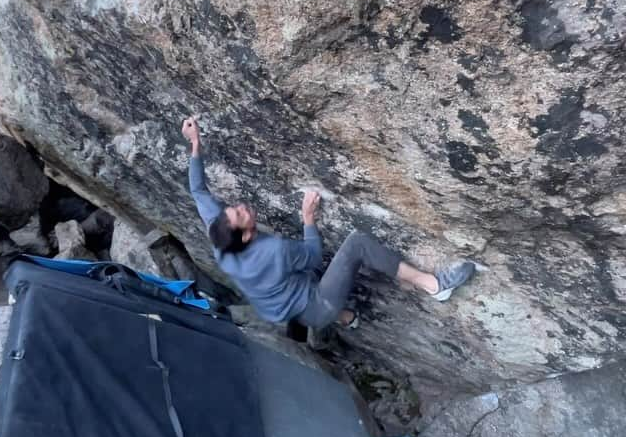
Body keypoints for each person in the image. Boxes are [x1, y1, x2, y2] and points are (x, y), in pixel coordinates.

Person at [182, 117, 475, 331]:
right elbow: (312, 254)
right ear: (245, 236)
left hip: (285, 309)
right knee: (357, 244)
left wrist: (195, 143)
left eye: (233, 209)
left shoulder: (220, 237)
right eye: (240, 215)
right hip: (317, 306)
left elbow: (198, 191)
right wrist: (308, 218)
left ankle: (347, 319)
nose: (241, 207)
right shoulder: (274, 251)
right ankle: (433, 285)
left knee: (297, 284)